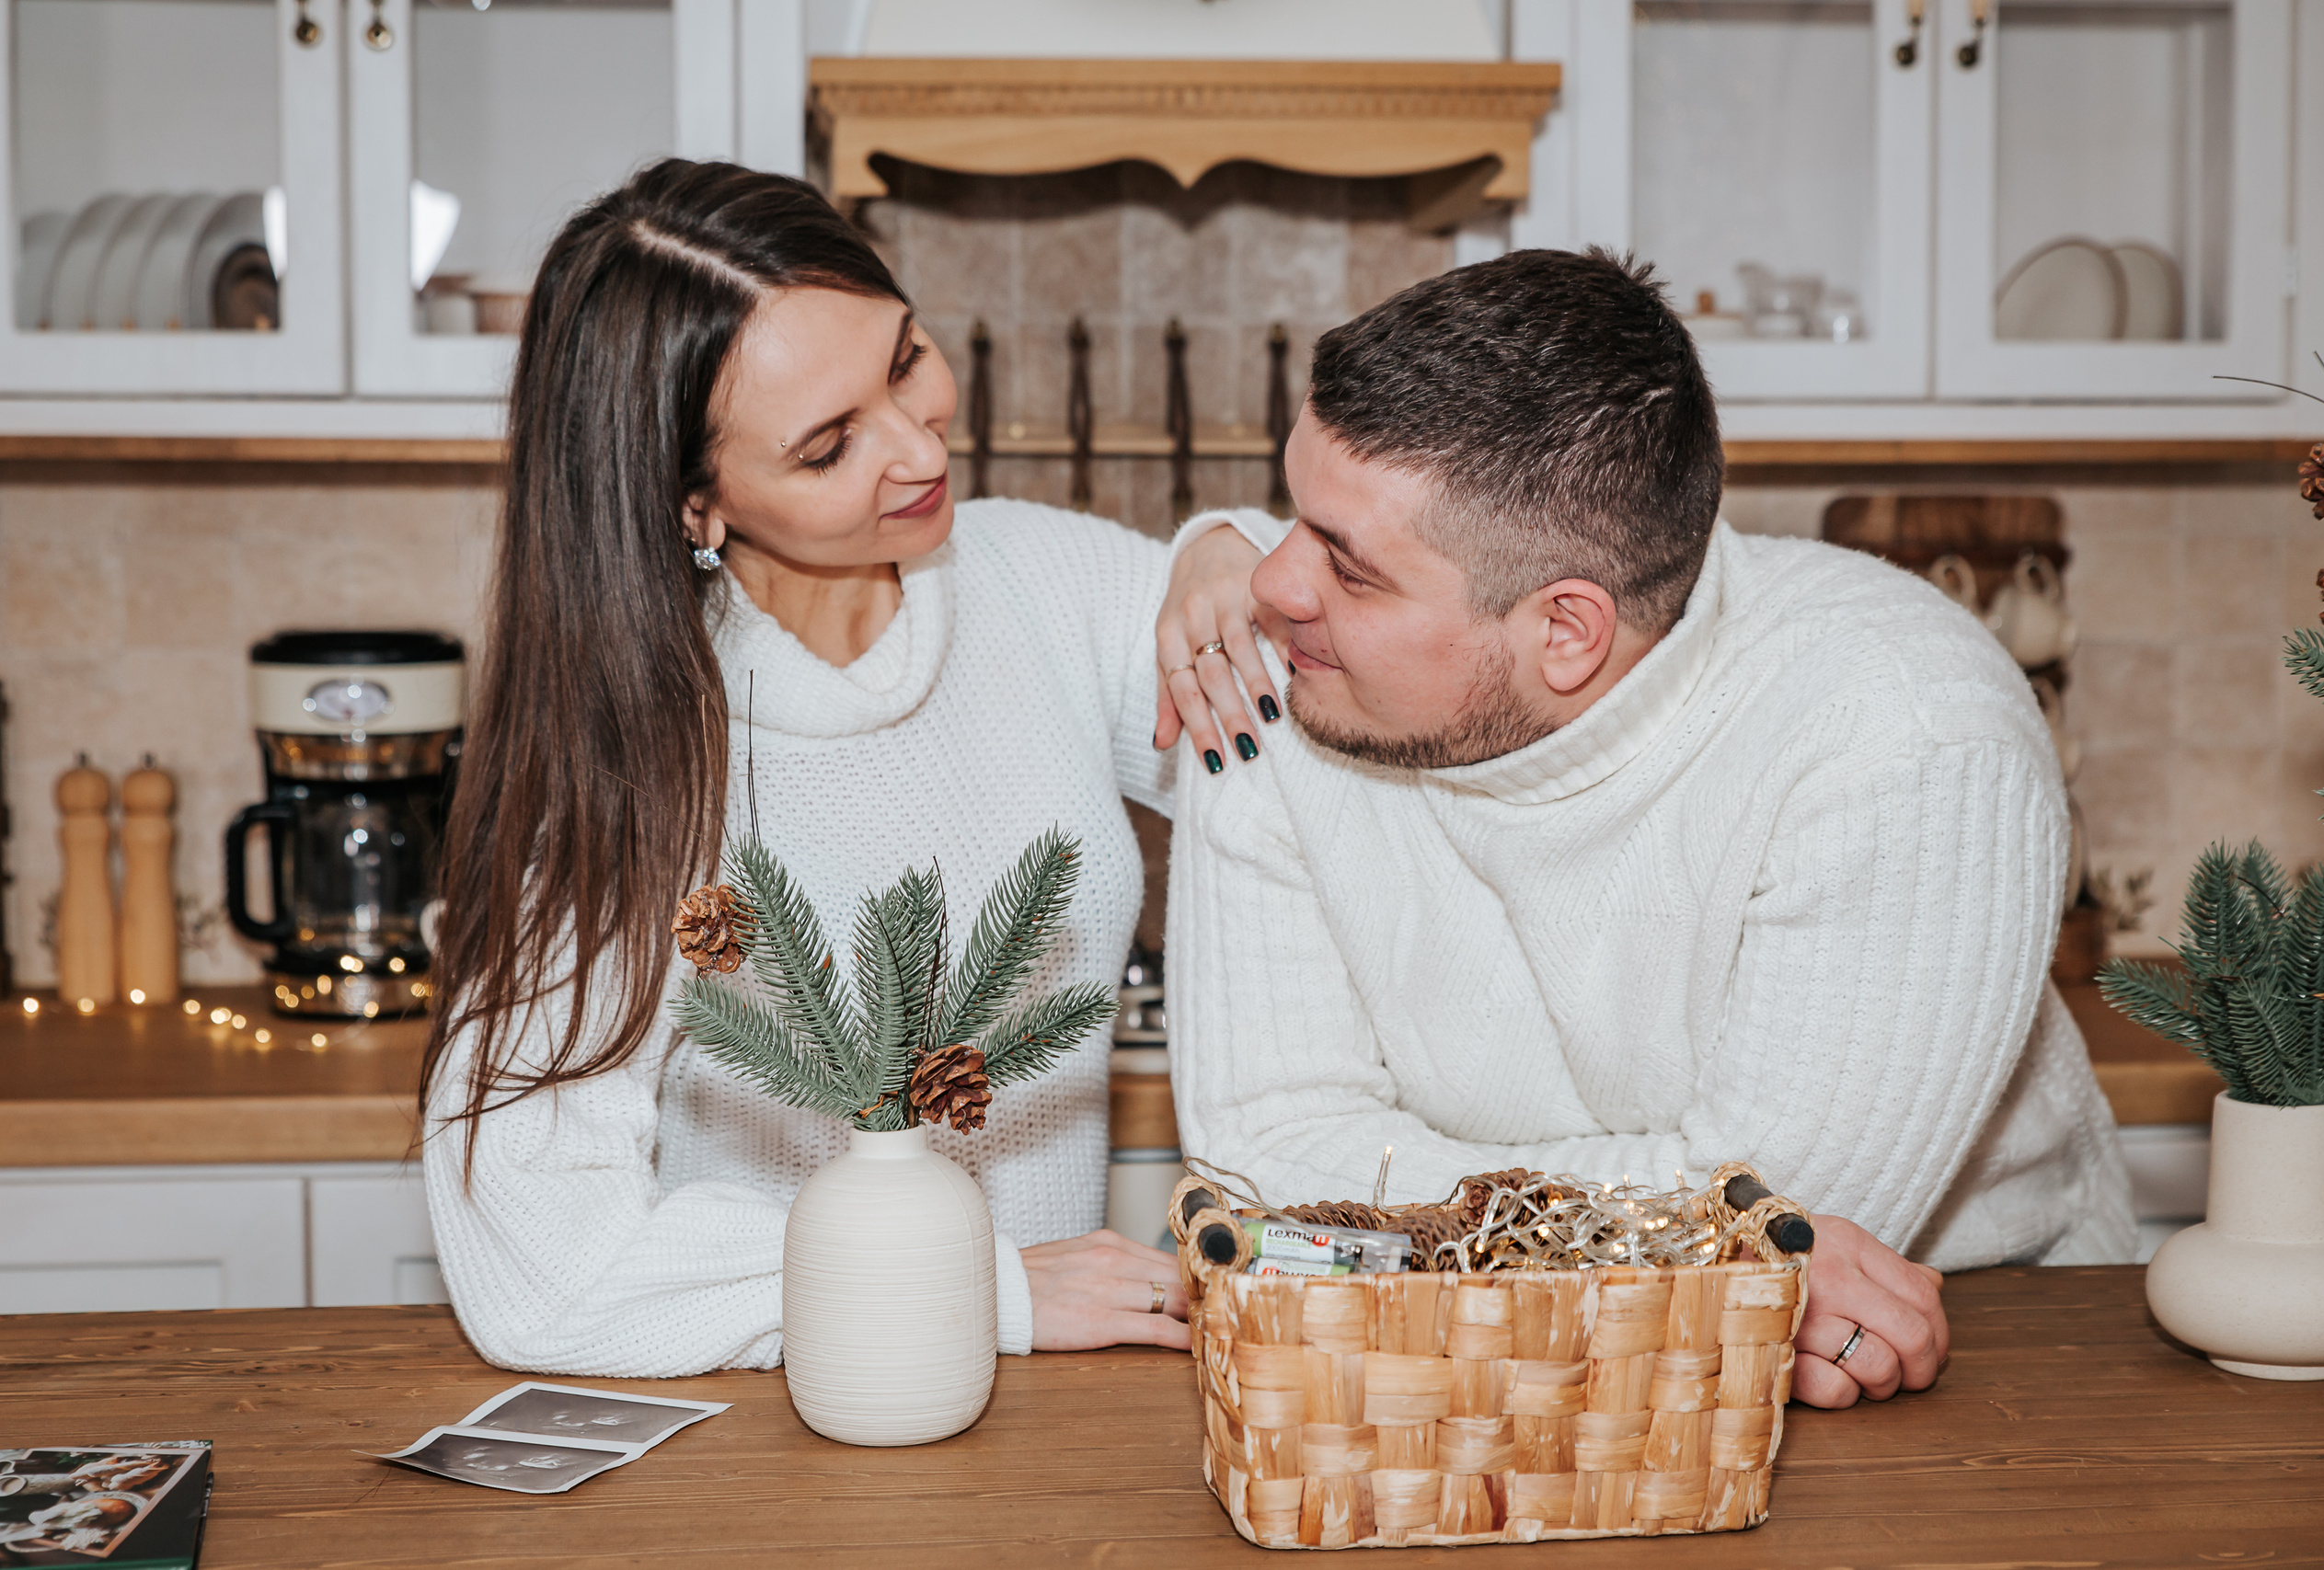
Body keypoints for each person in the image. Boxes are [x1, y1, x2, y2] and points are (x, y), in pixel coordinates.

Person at [1166, 247, 2135, 1409]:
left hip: (1962, 1352)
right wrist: (1686, 1224)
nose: (1269, 584)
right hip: (1429, 1364)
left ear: (1566, 631)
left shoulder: (1911, 737)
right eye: (1289, 511)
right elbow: (1258, 1160)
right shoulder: (1274, 687)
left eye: (1349, 565)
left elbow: (1791, 1239)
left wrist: (1417, 1205)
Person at [420, 160, 1288, 1376]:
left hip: (1063, 1418)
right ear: (694, 502)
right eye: (829, 445)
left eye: (903, 359)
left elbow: (1359, 727)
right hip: (785, 1425)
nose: (916, 442)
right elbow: (544, 1270)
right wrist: (969, 1285)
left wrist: (1237, 551)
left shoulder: (1039, 585)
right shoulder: (643, 763)